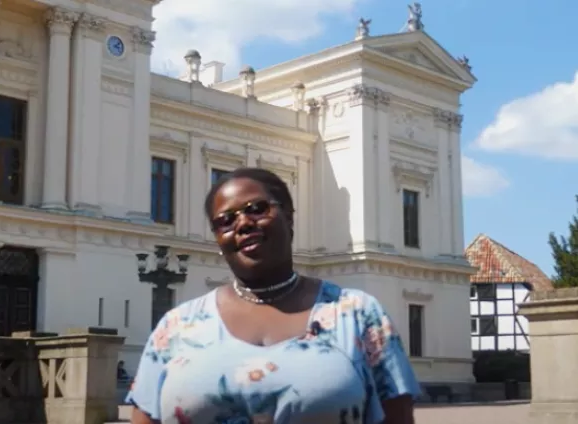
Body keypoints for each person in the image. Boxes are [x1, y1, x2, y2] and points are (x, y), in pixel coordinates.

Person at [127, 167, 420, 423]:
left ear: (289, 218)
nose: (242, 223)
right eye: (225, 220)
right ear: (217, 239)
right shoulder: (176, 327)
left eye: (257, 208)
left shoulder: (358, 315)